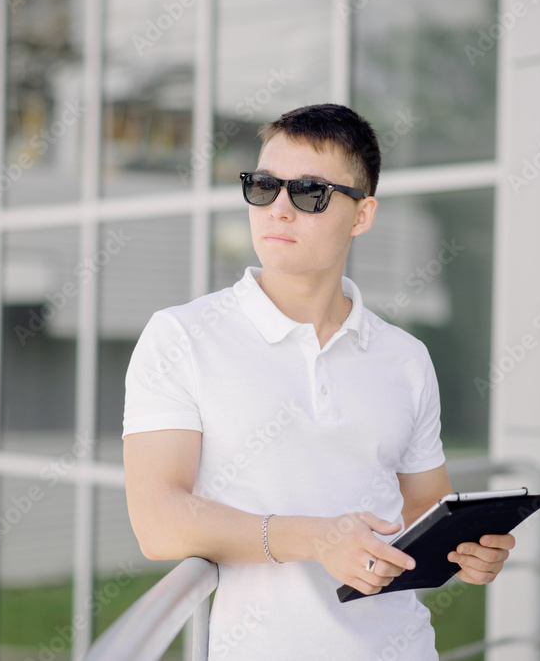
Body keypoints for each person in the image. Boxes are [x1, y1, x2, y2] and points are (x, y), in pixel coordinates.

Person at [122, 103, 515, 660]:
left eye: (309, 192)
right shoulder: (182, 336)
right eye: (263, 186)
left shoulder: (405, 358)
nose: (279, 209)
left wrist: (467, 551)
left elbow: (426, 511)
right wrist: (317, 538)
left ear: (362, 215)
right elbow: (157, 523)